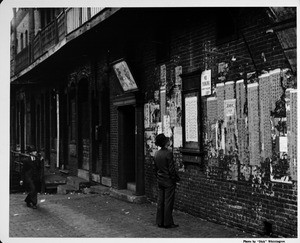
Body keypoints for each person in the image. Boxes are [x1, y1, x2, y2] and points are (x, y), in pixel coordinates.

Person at [153, 133, 180, 228]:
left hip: (160, 180)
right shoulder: (168, 153)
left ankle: (159, 221)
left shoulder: (156, 153)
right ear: (165, 142)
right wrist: (175, 178)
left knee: (160, 201)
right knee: (168, 202)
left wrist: (158, 177)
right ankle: (167, 222)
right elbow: (171, 169)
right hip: (168, 181)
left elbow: (155, 169)